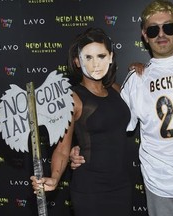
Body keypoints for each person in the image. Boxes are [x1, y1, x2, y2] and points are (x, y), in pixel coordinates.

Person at [70, 0, 173, 216]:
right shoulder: (137, 79)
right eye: (153, 29)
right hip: (158, 182)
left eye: (168, 27)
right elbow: (110, 122)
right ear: (144, 35)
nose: (161, 34)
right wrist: (79, 147)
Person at [30, 27, 132, 216]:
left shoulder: (116, 90)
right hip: (91, 189)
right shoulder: (72, 98)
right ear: (77, 61)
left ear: (110, 57)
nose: (95, 64)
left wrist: (140, 67)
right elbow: (62, 148)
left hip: (122, 185)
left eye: (101, 56)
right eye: (88, 57)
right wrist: (54, 177)